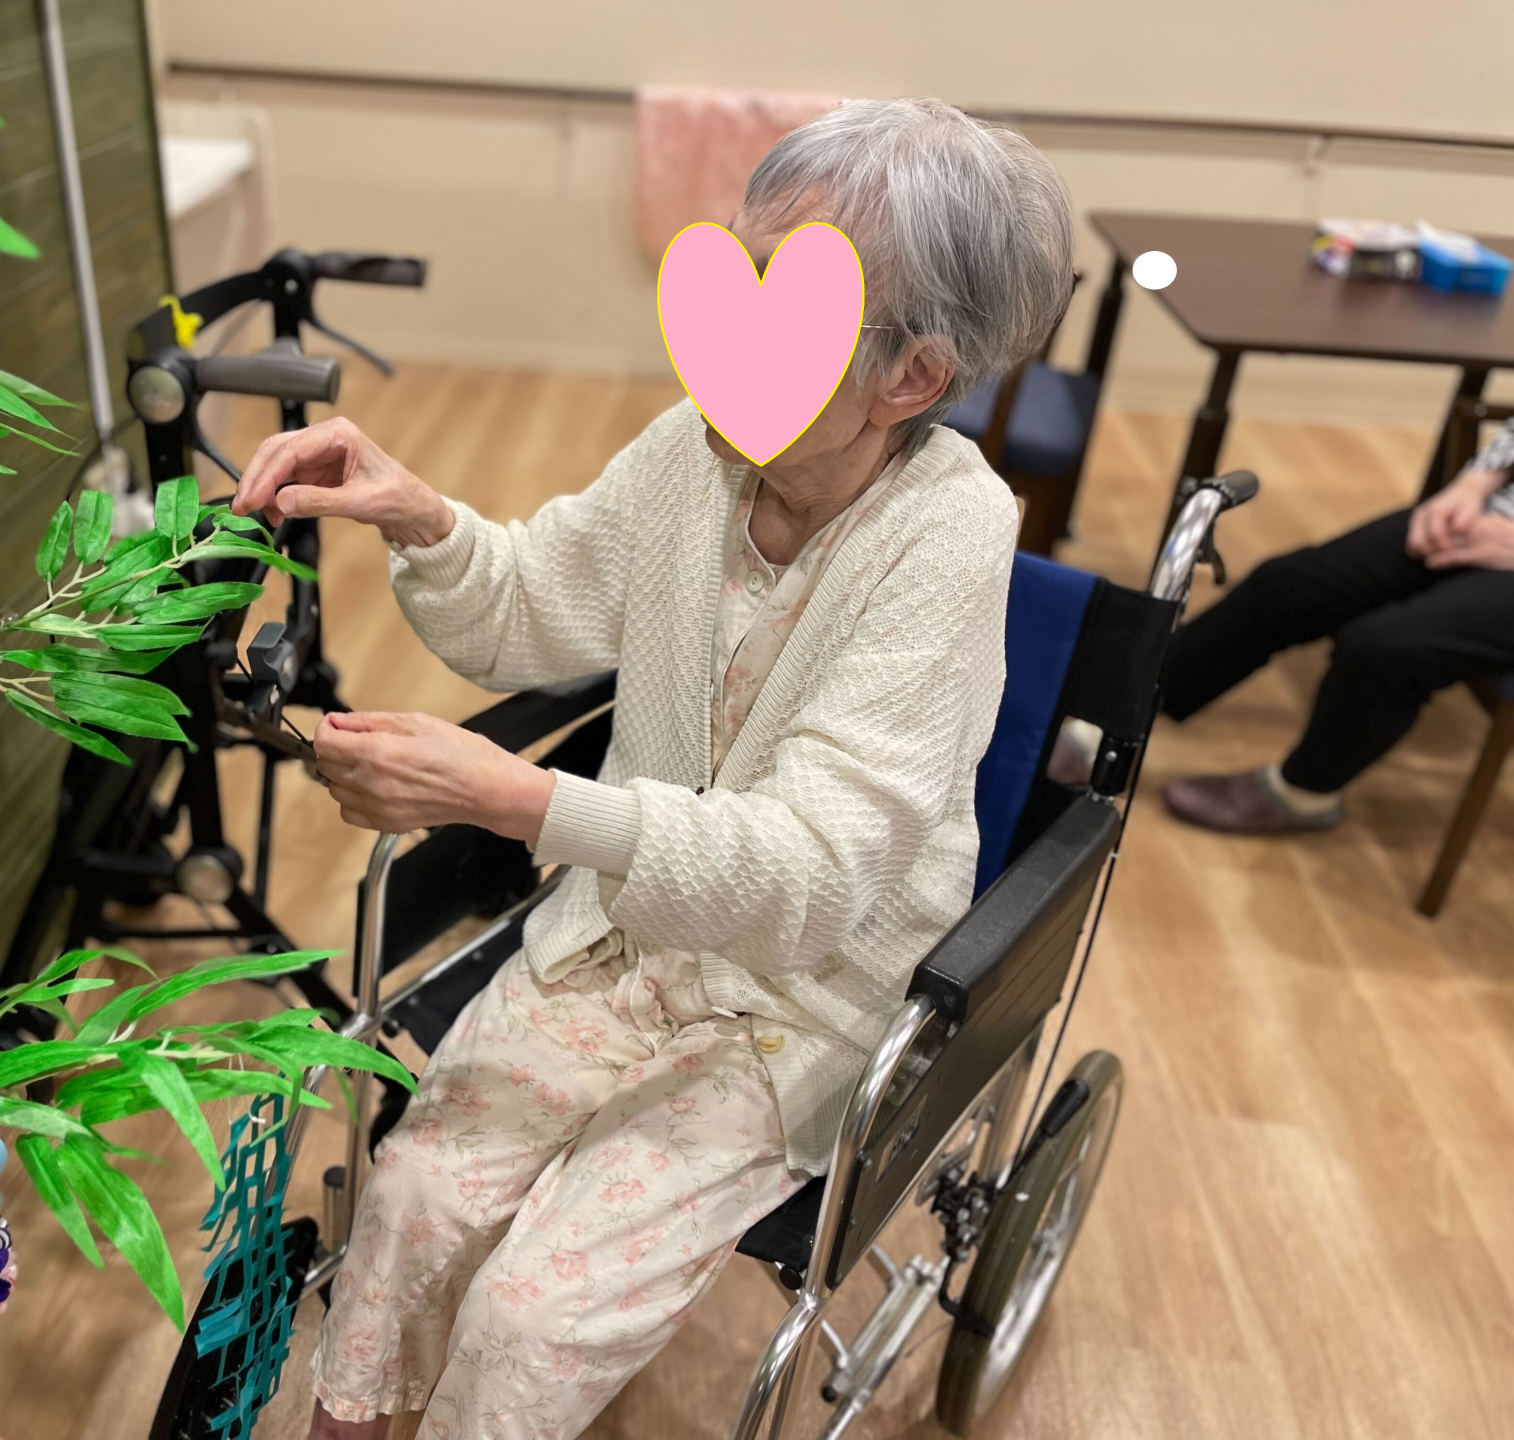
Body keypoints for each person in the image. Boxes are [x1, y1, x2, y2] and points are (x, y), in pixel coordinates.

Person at [232, 98, 1075, 1440]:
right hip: (617, 939)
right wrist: (424, 516)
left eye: (787, 305)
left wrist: (513, 798)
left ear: (912, 378)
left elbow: (808, 874)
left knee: (533, 1318)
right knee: (410, 1200)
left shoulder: (948, 536)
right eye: (734, 276)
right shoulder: (699, 449)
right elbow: (534, 603)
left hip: (795, 1001)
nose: (726, 338)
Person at [1156, 424, 1514, 832]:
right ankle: (1125, 707)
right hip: (1497, 511)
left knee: (1386, 648)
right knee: (1288, 586)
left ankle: (1301, 797)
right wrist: (1471, 485)